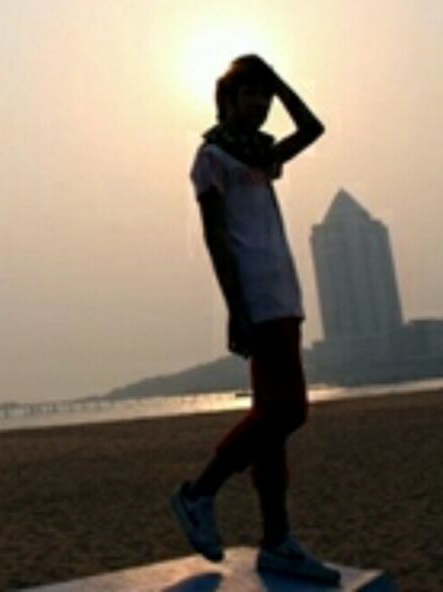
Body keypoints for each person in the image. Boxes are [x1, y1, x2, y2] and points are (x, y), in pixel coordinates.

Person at [170, 54, 341, 585]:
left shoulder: (261, 156)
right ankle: (199, 494)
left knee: (272, 425)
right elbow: (216, 237)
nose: (262, 105)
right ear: (227, 100)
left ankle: (278, 540)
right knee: (289, 411)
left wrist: (277, 81)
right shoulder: (212, 157)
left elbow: (312, 128)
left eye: (265, 97)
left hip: (284, 294)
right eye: (251, 95)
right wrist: (236, 307)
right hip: (257, 299)